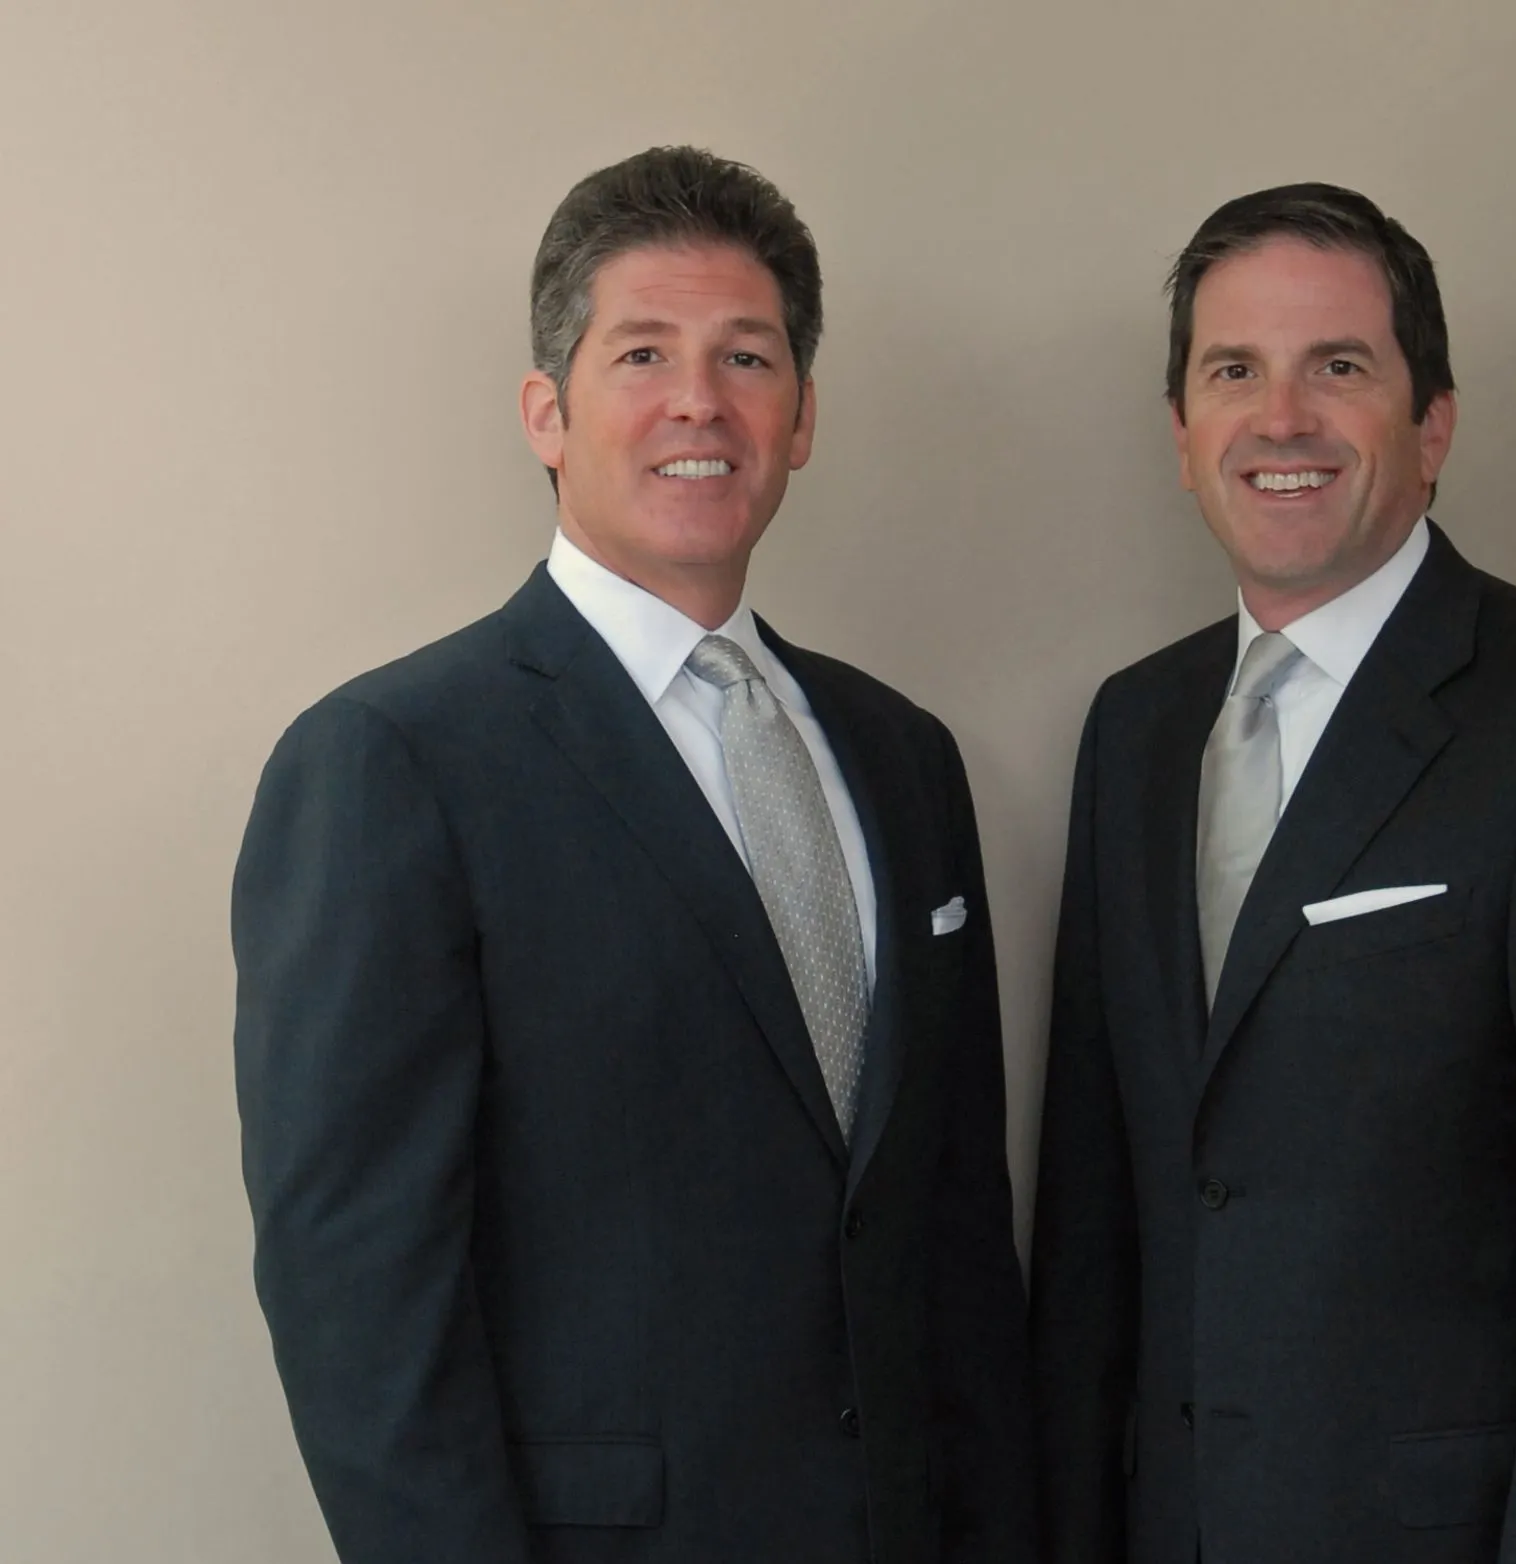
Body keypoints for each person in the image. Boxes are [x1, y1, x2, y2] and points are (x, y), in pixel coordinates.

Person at [233, 146, 1034, 1564]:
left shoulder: (905, 757)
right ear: (546, 412)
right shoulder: (394, 765)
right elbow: (358, 1299)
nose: (698, 400)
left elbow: (953, 1234)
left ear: (800, 419)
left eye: (749, 356)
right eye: (642, 353)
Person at [1030, 183, 1516, 1564]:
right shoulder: (1133, 731)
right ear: (1183, 437)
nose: (1283, 417)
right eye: (1233, 371)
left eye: (1340, 367)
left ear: (1431, 427)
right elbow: (1099, 1216)